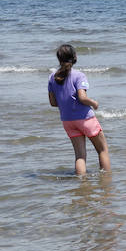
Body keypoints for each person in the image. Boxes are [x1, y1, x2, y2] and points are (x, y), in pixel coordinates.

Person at [46, 43, 111, 175]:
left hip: (67, 121)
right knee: (102, 150)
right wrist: (93, 103)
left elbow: (53, 102)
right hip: (85, 119)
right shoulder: (79, 75)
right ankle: (107, 182)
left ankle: (81, 184)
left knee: (80, 155)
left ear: (59, 59)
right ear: (74, 57)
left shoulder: (52, 77)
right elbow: (82, 97)